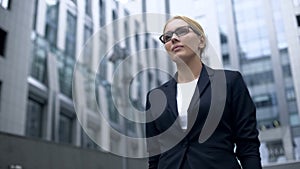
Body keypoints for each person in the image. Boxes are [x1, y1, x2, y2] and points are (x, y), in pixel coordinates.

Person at [145, 15, 262, 169]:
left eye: (181, 32)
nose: (173, 38)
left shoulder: (229, 82)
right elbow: (154, 157)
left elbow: (248, 145)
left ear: (201, 41)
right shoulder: (155, 97)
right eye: (167, 37)